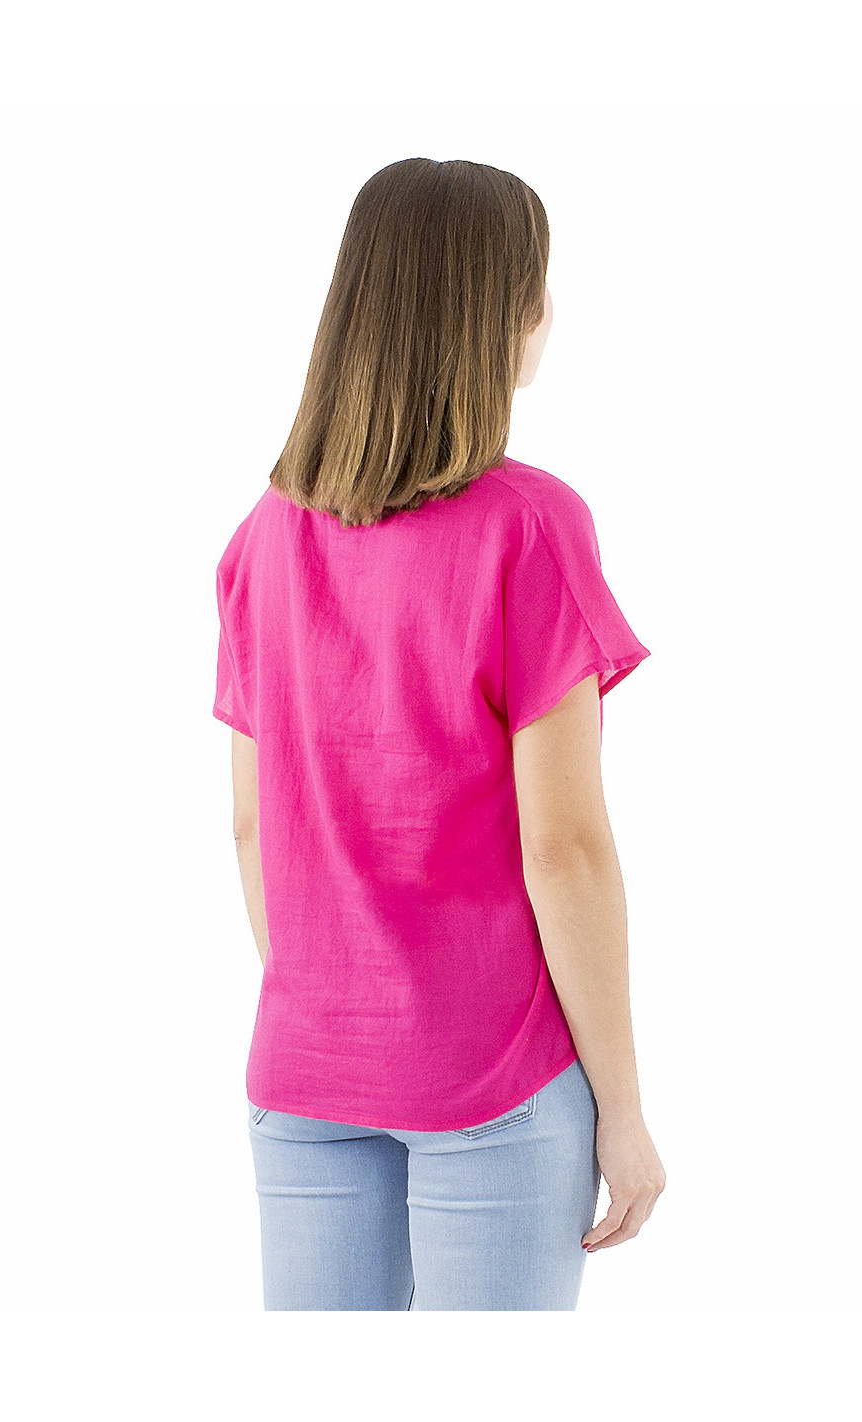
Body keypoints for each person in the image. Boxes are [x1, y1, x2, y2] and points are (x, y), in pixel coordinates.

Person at [213, 157, 665, 1310]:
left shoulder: (264, 535)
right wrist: (622, 1109)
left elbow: (251, 825)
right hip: (490, 1077)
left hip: (304, 1070)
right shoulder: (530, 527)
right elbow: (563, 848)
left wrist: (341, 1006)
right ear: (504, 308)